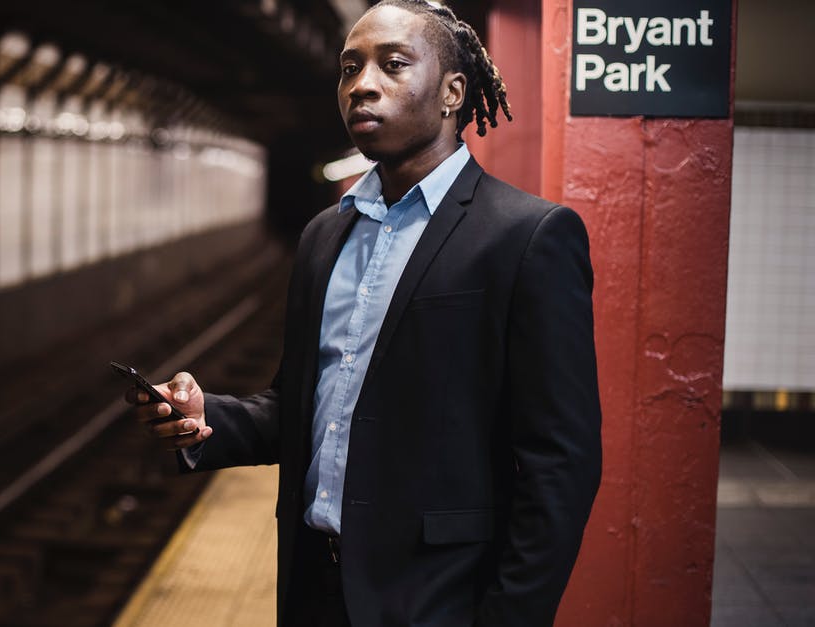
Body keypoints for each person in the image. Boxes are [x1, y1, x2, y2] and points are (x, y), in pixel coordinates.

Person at [126, 1, 601, 625]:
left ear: (453, 91)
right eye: (350, 68)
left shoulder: (527, 236)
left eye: (393, 65)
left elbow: (561, 464)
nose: (363, 85)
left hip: (438, 597)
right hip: (313, 585)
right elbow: (302, 404)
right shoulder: (325, 235)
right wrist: (208, 416)